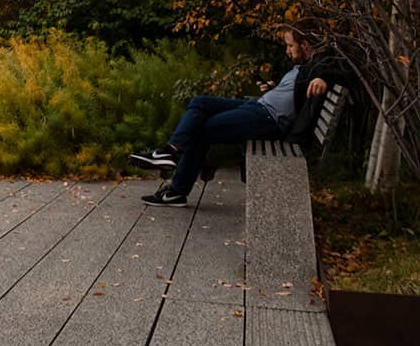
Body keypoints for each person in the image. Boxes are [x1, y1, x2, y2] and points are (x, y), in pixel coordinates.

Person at [129, 18, 350, 207]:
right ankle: (169, 152)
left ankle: (175, 188)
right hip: (257, 106)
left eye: (291, 46)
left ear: (306, 44)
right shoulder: (306, 64)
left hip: (267, 118)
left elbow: (340, 73)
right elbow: (296, 92)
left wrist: (324, 78)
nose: (287, 50)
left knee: (201, 129)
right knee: (200, 102)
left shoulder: (320, 63)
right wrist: (274, 89)